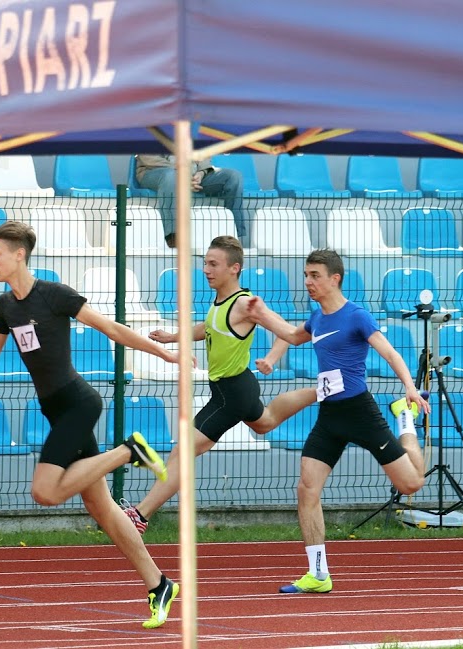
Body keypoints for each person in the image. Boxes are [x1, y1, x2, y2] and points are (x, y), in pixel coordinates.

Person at [0, 221, 179, 629]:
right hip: (55, 409)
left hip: (77, 403)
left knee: (45, 492)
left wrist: (164, 354)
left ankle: (130, 451)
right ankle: (159, 585)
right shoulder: (6, 306)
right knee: (104, 510)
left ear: (19, 254)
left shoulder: (54, 295)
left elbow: (111, 328)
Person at [244, 249, 430, 594]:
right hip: (329, 415)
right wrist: (261, 316)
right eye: (305, 275)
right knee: (306, 489)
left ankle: (406, 422)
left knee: (411, 485)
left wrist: (410, 388)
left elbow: (389, 352)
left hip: (360, 411)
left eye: (314, 275)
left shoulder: (356, 316)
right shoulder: (317, 318)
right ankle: (318, 573)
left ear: (335, 279)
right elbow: (290, 334)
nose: (307, 282)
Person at [119, 236, 317, 533]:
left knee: (181, 452)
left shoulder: (246, 304)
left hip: (231, 394)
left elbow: (287, 331)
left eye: (214, 264)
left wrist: (272, 359)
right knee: (264, 422)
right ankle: (322, 390)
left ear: (234, 268)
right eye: (205, 263)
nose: (206, 270)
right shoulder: (220, 301)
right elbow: (209, 326)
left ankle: (140, 515)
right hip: (237, 388)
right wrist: (173, 337)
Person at [135, 154, 246, 247]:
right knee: (172, 177)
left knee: (233, 177)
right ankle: (173, 238)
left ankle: (234, 238)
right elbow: (148, 158)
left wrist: (202, 172)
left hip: (194, 175)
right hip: (156, 172)